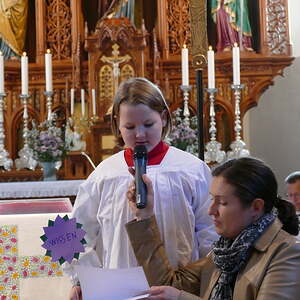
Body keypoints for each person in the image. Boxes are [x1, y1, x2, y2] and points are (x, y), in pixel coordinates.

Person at [64, 77, 217, 299]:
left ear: (163, 118)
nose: (140, 135)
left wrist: (207, 282)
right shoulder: (104, 174)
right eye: (129, 126)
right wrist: (80, 280)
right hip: (118, 288)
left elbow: (209, 231)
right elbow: (74, 233)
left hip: (178, 288)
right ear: (117, 122)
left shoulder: (191, 170)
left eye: (148, 124)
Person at [126, 157, 300, 300]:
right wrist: (145, 216)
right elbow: (167, 286)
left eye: (222, 202)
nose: (211, 211)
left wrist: (181, 298)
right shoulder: (223, 252)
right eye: (211, 199)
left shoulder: (288, 252)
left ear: (255, 207)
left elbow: (176, 294)